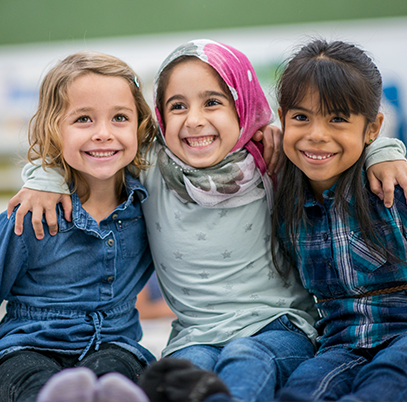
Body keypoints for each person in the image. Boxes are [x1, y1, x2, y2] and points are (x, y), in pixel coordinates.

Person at [7, 40, 407, 402]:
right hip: (194, 336)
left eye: (213, 102)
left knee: (245, 356)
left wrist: (384, 150)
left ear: (244, 107)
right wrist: (45, 175)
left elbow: (340, 148)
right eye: (177, 106)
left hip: (277, 328)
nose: (194, 120)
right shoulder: (152, 174)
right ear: (160, 119)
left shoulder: (274, 166)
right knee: (180, 373)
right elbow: (100, 152)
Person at [0, 51, 158, 402]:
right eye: (84, 119)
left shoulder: (151, 203)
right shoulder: (32, 213)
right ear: (53, 129)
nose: (103, 133)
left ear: (140, 126)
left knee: (118, 371)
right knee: (25, 379)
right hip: (30, 344)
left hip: (115, 343)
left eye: (120, 117)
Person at [269, 39, 407, 401]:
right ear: (282, 118)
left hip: (404, 338)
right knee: (299, 393)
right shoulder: (282, 194)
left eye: (338, 118)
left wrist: (387, 152)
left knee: (383, 384)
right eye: (301, 117)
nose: (317, 134)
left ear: (373, 128)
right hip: (339, 345)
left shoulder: (393, 186)